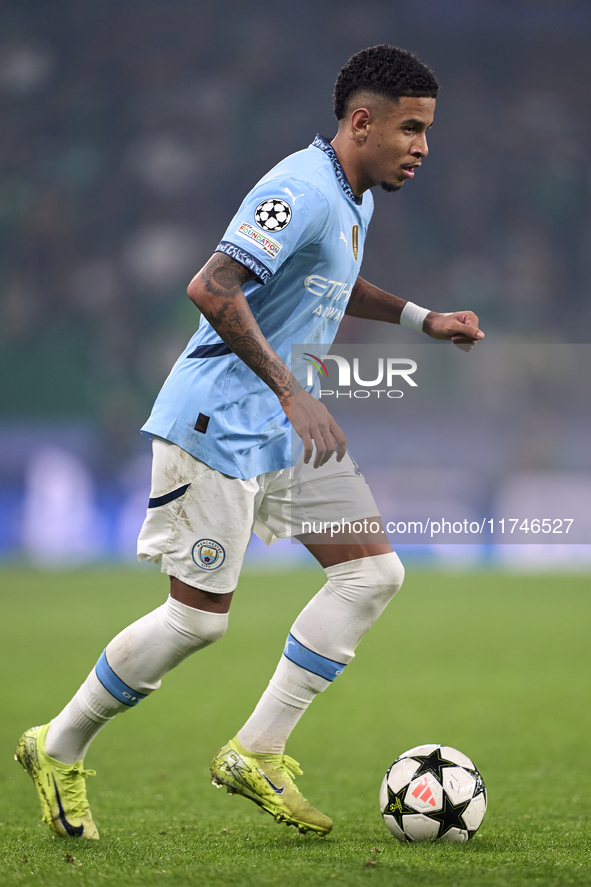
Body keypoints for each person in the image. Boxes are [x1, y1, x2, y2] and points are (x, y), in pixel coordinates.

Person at [15, 44, 483, 840]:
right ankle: (56, 745)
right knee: (196, 623)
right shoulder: (296, 187)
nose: (422, 147)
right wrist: (291, 389)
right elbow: (211, 285)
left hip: (279, 429)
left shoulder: (355, 196)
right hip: (216, 425)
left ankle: (256, 751)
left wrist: (420, 319)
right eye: (410, 129)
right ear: (360, 122)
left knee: (371, 573)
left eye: (426, 131)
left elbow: (332, 279)